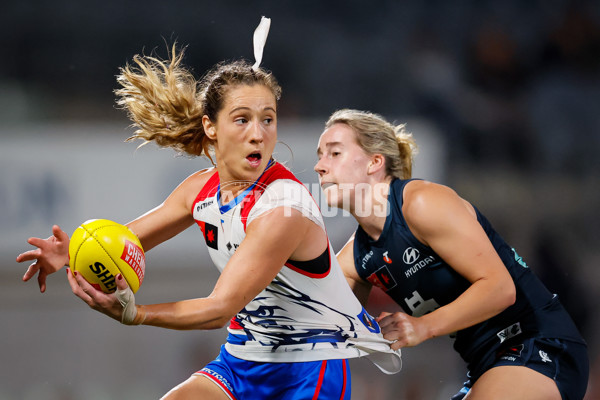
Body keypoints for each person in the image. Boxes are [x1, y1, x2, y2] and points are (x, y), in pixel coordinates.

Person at [15, 41, 402, 399]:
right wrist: (75, 253)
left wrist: (138, 315)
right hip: (241, 360)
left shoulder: (284, 207)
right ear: (210, 127)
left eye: (268, 119)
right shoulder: (198, 190)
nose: (258, 134)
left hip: (308, 367)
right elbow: (123, 243)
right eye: (242, 119)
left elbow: (219, 309)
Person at [313, 109, 589, 400]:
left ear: (375, 162)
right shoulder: (355, 258)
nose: (320, 166)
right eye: (320, 155)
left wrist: (422, 326)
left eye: (334, 153)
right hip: (485, 366)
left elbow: (500, 288)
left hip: (539, 343)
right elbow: (322, 330)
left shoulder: (421, 203)